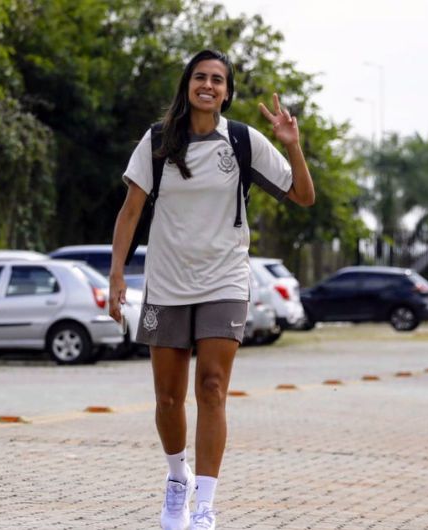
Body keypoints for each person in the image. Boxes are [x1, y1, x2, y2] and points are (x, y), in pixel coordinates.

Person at [108, 49, 315, 530]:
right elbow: (131, 212)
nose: (208, 85)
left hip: (224, 281)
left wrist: (292, 144)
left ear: (227, 91)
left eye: (217, 80)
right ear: (187, 85)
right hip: (165, 283)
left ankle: (204, 504)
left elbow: (304, 197)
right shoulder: (158, 141)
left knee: (213, 388)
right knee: (167, 397)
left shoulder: (243, 141)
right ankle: (177, 479)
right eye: (200, 77)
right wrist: (117, 274)